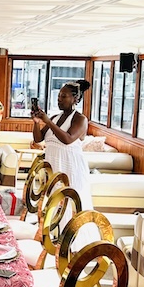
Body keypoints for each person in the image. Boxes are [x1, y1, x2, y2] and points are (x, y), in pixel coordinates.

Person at [31, 80, 96, 249]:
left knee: (71, 205)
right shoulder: (55, 117)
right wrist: (37, 123)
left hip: (71, 168)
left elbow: (67, 139)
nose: (59, 99)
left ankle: (74, 247)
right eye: (59, 96)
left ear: (75, 99)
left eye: (64, 96)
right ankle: (56, 244)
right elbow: (38, 139)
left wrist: (48, 121)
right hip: (55, 167)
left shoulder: (81, 120)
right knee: (55, 205)